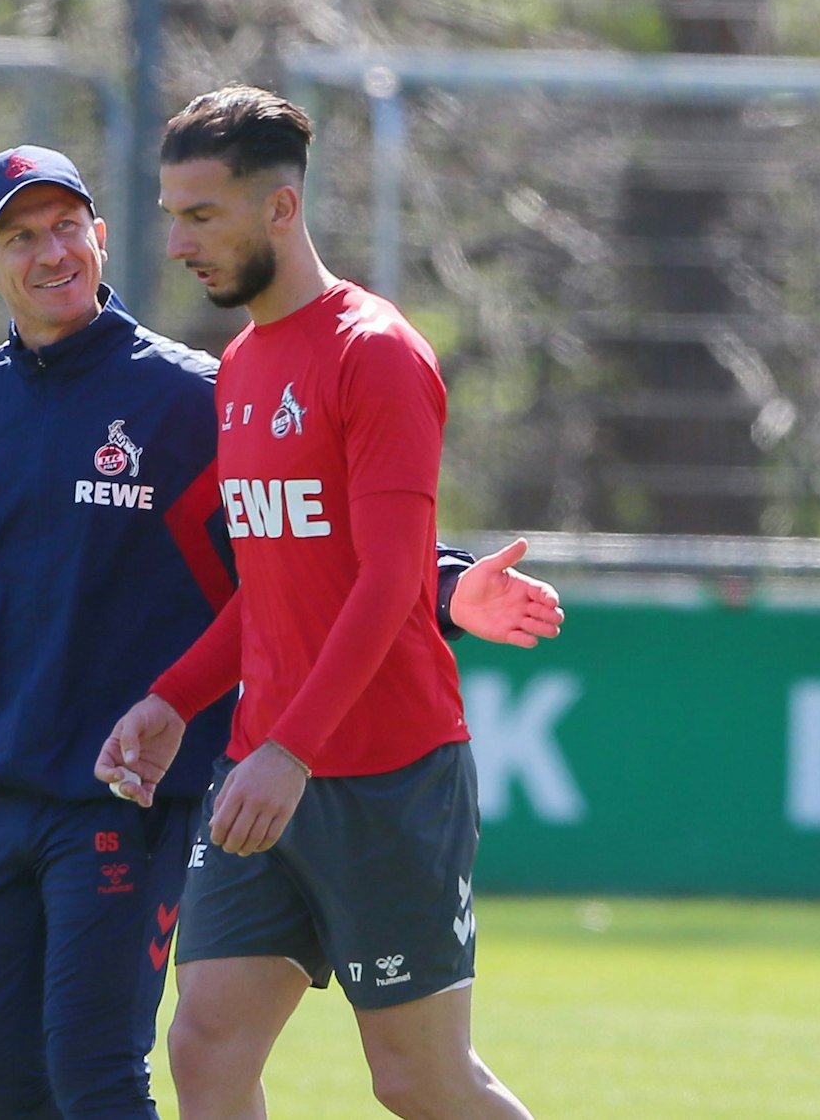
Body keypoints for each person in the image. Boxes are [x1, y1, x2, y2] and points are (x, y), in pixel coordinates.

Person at [0, 145, 559, 1119]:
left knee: (103, 1065)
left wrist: (446, 585)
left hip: (133, 795)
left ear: (97, 233)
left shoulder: (189, 400)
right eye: (19, 236)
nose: (51, 252)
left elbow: (319, 544)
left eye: (66, 226)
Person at [98, 86, 538, 1118]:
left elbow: (390, 579)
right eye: (171, 213)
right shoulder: (244, 364)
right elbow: (274, 583)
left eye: (201, 214)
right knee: (206, 1045)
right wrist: (173, 697)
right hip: (266, 763)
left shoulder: (373, 353)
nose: (177, 242)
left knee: (419, 1079)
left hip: (382, 775)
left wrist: (291, 750)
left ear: (281, 210)